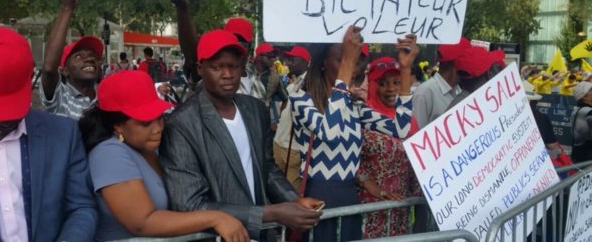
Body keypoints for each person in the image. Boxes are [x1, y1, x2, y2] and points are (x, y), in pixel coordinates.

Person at [160, 30, 322, 242]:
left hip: (261, 235)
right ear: (200, 69)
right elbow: (189, 202)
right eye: (217, 67)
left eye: (233, 66)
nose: (227, 74)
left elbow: (267, 168)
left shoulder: (255, 110)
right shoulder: (181, 124)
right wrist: (270, 213)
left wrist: (293, 200)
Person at [79, 70, 248, 242]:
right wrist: (216, 218)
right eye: (145, 123)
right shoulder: (109, 154)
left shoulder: (148, 147)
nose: (157, 128)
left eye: (159, 118)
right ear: (118, 126)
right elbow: (142, 222)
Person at [289, 26, 419, 241]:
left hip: (349, 196)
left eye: (353, 61)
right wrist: (347, 67)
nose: (351, 67)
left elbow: (401, 128)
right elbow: (330, 133)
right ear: (323, 62)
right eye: (341, 60)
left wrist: (405, 70)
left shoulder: (354, 106)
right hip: (318, 197)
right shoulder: (301, 100)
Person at [0, 26, 97, 241]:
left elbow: (81, 208)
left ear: (31, 79)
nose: (1, 120)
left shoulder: (63, 135)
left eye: (8, 108)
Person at [356, 57, 420, 238]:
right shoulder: (363, 115)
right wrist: (370, 186)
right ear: (373, 85)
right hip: (370, 208)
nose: (391, 89)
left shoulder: (408, 120)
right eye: (383, 83)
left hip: (400, 208)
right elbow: (347, 157)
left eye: (396, 82)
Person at [40, 0, 104, 120]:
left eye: (93, 56)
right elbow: (49, 69)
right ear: (66, 70)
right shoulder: (59, 98)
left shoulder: (106, 96)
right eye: (79, 56)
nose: (89, 59)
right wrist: (66, 8)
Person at [273, 46, 311, 191]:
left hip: (294, 148)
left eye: (292, 59)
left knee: (290, 192)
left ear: (305, 61)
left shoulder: (311, 83)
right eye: (288, 59)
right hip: (279, 142)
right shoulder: (291, 86)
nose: (288, 62)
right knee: (277, 188)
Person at [412, 37, 471, 128]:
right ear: (456, 63)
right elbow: (415, 135)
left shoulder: (458, 91)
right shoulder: (424, 93)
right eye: (468, 61)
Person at [571, 81, 592, 163]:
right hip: (588, 158)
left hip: (578, 155)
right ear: (584, 97)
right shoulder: (588, 112)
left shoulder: (576, 110)